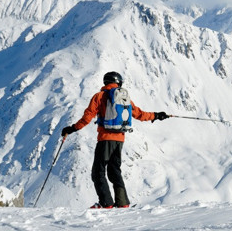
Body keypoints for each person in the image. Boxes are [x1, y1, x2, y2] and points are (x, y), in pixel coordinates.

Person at [61, 71, 168, 208]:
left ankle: (106, 203)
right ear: (119, 82)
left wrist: (72, 128)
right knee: (114, 171)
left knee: (98, 171)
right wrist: (156, 115)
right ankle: (122, 203)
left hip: (105, 139)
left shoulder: (99, 96)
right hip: (120, 140)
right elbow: (139, 114)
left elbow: (87, 117)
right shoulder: (124, 98)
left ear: (106, 82)